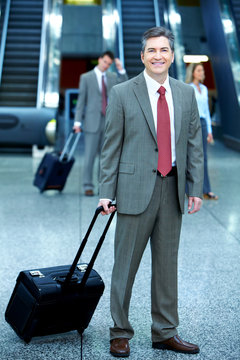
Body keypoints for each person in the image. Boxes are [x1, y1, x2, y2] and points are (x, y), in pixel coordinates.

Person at [98, 26, 204, 357]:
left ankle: (165, 331)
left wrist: (195, 186)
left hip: (171, 189)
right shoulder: (122, 93)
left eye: (164, 50)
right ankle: (120, 331)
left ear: (172, 56)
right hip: (132, 190)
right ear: (142, 56)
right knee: (125, 265)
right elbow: (110, 146)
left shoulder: (186, 93)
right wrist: (106, 191)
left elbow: (193, 143)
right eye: (152, 51)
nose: (158, 56)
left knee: (167, 265)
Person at [73, 51, 128, 196]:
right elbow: (81, 101)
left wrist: (120, 69)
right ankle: (87, 185)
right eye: (105, 62)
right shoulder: (86, 77)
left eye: (109, 64)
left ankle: (103, 187)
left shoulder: (112, 76)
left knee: (106, 158)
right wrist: (77, 122)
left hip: (109, 121)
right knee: (90, 156)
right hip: (92, 121)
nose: (106, 65)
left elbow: (126, 86)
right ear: (99, 60)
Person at [186, 63, 218, 200]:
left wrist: (210, 131)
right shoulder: (188, 89)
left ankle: (206, 190)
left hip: (203, 123)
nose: (201, 72)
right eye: (199, 70)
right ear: (193, 72)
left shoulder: (204, 89)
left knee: (203, 158)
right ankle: (188, 189)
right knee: (190, 157)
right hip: (191, 124)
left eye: (202, 70)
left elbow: (206, 111)